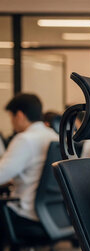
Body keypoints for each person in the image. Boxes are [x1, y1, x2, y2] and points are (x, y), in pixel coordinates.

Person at [0, 93, 58, 228]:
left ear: (19, 115)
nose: (12, 123)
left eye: (11, 117)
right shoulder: (54, 136)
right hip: (51, 214)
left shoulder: (25, 139)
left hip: (26, 214)